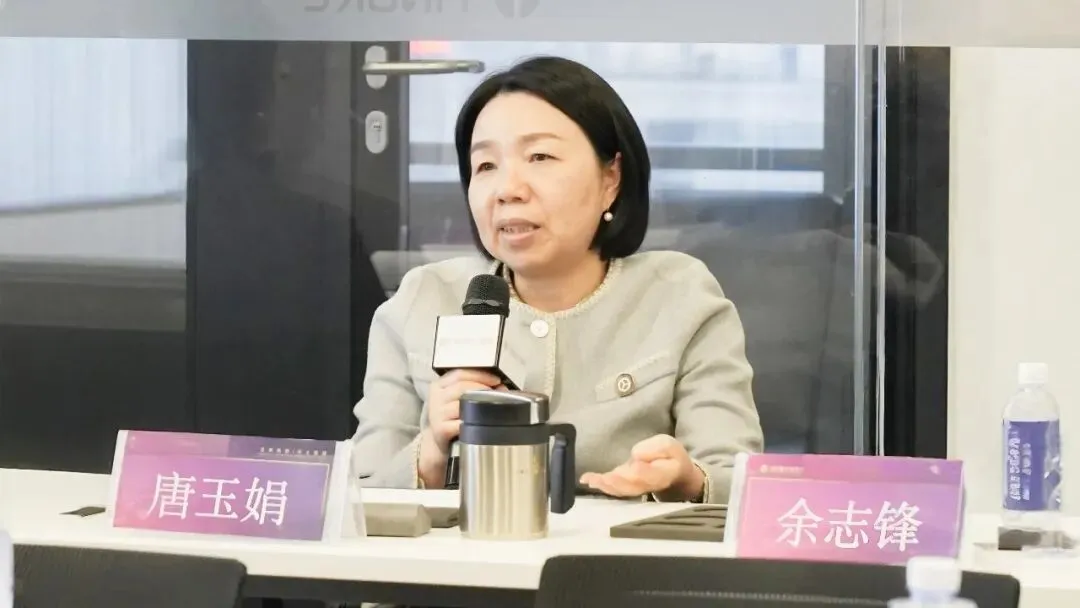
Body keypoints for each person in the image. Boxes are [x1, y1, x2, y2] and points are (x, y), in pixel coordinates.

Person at [351, 56, 762, 504]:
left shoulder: (679, 296)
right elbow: (360, 492)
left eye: (540, 157)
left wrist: (687, 480)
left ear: (611, 179)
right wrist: (430, 452)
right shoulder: (421, 300)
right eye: (485, 165)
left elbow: (742, 486)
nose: (508, 189)